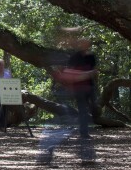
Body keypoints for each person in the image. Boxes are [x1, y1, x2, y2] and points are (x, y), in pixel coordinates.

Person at [37, 31, 97, 166]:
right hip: (73, 92)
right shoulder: (71, 56)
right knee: (71, 123)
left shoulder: (89, 56)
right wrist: (86, 75)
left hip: (84, 91)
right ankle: (48, 150)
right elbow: (69, 75)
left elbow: (90, 74)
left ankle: (85, 156)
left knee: (77, 123)